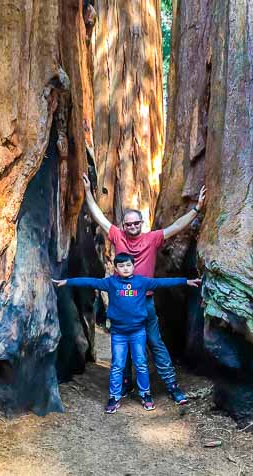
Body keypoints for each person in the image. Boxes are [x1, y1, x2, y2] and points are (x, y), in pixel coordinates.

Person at [81, 173, 206, 405]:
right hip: (121, 301)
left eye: (135, 223)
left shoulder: (152, 239)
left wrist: (196, 209)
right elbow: (99, 217)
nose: (132, 227)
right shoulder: (117, 236)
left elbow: (176, 226)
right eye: (128, 224)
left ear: (141, 223)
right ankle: (126, 384)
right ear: (123, 226)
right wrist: (88, 193)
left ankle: (172, 386)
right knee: (124, 346)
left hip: (145, 302)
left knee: (156, 344)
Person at [52, 253, 201, 413]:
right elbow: (89, 281)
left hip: (138, 332)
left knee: (141, 363)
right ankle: (114, 397)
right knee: (117, 365)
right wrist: (67, 281)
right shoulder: (111, 283)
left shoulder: (141, 282)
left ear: (133, 266)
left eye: (128, 265)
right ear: (115, 268)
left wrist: (186, 281)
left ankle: (145, 394)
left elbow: (162, 282)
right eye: (121, 266)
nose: (125, 268)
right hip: (119, 334)